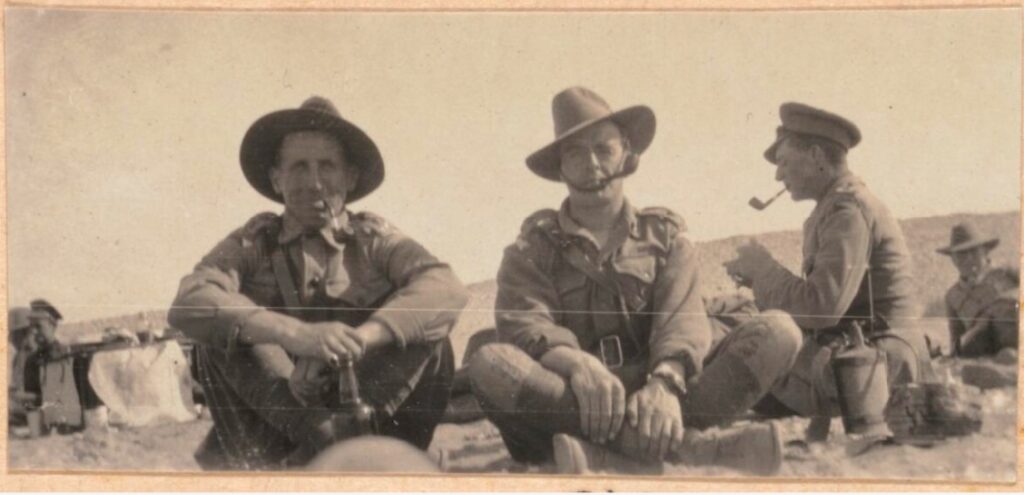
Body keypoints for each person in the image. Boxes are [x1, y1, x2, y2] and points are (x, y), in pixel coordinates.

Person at [469, 87, 803, 475]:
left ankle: (608, 455)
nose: (591, 164)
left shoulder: (665, 237)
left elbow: (682, 320)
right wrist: (580, 366)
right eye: (575, 153)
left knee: (780, 331)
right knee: (489, 363)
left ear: (627, 155)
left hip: (658, 398)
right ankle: (688, 450)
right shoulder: (530, 248)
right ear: (560, 168)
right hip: (568, 401)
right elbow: (525, 324)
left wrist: (664, 385)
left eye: (603, 149)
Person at [168, 96, 469, 470]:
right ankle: (322, 453)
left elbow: (445, 287)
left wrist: (355, 342)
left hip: (365, 407)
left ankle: (345, 453)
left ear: (350, 178)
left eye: (327, 166)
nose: (313, 182)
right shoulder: (253, 242)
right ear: (276, 179)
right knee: (220, 332)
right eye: (298, 167)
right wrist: (293, 334)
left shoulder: (372, 238)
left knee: (430, 333)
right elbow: (190, 299)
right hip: (279, 419)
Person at [724, 102, 933, 433]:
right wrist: (758, 279)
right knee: (738, 328)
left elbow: (822, 307)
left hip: (873, 371)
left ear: (817, 156)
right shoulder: (835, 207)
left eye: (784, 162)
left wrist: (764, 270)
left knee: (731, 334)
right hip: (866, 360)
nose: (778, 174)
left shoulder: (848, 209)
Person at [937, 223, 1019, 357]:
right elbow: (957, 339)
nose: (969, 259)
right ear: (953, 259)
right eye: (961, 254)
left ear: (985, 251)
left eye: (974, 251)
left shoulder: (1008, 273)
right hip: (985, 358)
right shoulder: (952, 296)